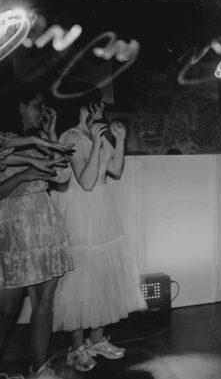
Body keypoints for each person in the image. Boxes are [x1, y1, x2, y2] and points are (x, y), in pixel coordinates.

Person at [50, 89, 146, 372]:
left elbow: (114, 169)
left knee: (104, 274)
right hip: (81, 213)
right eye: (99, 104)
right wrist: (94, 143)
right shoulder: (69, 137)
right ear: (85, 105)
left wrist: (120, 140)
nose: (103, 108)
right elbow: (86, 181)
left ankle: (96, 340)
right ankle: (76, 349)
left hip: (103, 210)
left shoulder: (97, 135)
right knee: (80, 279)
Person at [0, 83, 74, 379]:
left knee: (44, 302)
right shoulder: (5, 139)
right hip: (11, 228)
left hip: (43, 226)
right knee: (6, 310)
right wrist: (23, 176)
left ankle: (39, 367)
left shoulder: (42, 137)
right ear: (20, 106)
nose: (43, 110)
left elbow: (63, 178)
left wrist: (51, 133)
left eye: (44, 106)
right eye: (37, 105)